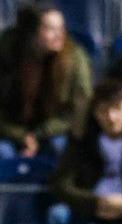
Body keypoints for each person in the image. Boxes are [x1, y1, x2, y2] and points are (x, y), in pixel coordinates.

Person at [47, 80, 122, 224]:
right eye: (104, 111)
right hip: (89, 208)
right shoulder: (81, 141)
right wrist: (96, 202)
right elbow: (61, 185)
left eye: (117, 109)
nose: (111, 117)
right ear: (95, 113)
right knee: (59, 214)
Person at [0, 3, 92, 160]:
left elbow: (79, 110)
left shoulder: (75, 58)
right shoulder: (6, 55)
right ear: (31, 34)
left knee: (61, 148)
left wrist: (37, 135)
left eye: (61, 28)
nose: (60, 35)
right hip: (9, 131)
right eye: (51, 29)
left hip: (55, 131)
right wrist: (21, 136)